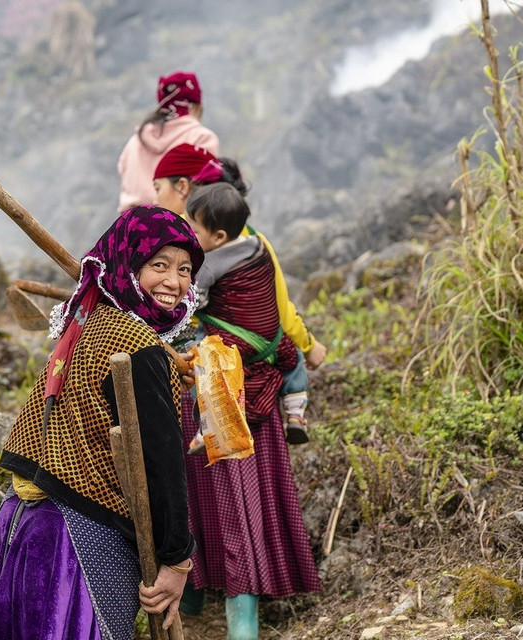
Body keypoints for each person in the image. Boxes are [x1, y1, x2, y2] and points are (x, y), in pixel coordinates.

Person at [0, 206, 205, 640]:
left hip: (21, 523)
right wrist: (176, 561)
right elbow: (161, 464)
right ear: (127, 266)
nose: (174, 282)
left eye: (185, 269)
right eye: (159, 265)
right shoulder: (138, 346)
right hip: (75, 541)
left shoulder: (91, 321)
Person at [152, 146, 322, 640]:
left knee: (221, 500)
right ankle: (206, 597)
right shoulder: (257, 247)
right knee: (231, 500)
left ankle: (233, 616)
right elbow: (283, 316)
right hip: (254, 376)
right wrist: (303, 348)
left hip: (220, 391)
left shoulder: (206, 263)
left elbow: (183, 311)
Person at [152, 143, 327, 442]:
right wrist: (307, 346)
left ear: (184, 188)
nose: (155, 197)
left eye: (158, 187)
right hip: (264, 355)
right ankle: (296, 410)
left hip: (207, 367)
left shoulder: (192, 246)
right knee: (290, 357)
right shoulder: (257, 242)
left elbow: (189, 301)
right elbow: (278, 308)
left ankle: (208, 425)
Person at [117, 71, 220, 213]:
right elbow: (207, 188)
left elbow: (123, 172)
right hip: (174, 225)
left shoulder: (137, 140)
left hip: (130, 226)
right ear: (196, 107)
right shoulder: (201, 138)